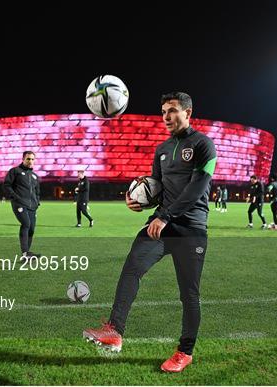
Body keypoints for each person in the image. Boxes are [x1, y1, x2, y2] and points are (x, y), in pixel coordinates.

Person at [83, 92, 217, 373]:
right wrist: (137, 199)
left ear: (188, 112)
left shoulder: (204, 146)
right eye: (163, 112)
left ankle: (185, 352)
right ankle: (114, 331)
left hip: (190, 228)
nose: (166, 117)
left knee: (189, 294)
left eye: (172, 111)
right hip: (162, 224)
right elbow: (157, 188)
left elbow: (197, 189)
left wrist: (166, 215)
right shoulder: (162, 149)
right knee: (132, 267)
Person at [3, 151, 41, 259]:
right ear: (23, 159)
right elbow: (7, 185)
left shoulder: (34, 176)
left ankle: (27, 254)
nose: (30, 161)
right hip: (19, 203)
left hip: (32, 206)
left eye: (32, 159)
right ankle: (25, 253)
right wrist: (15, 197)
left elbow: (37, 192)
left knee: (32, 228)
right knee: (26, 224)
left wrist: (37, 202)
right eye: (28, 159)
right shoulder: (15, 171)